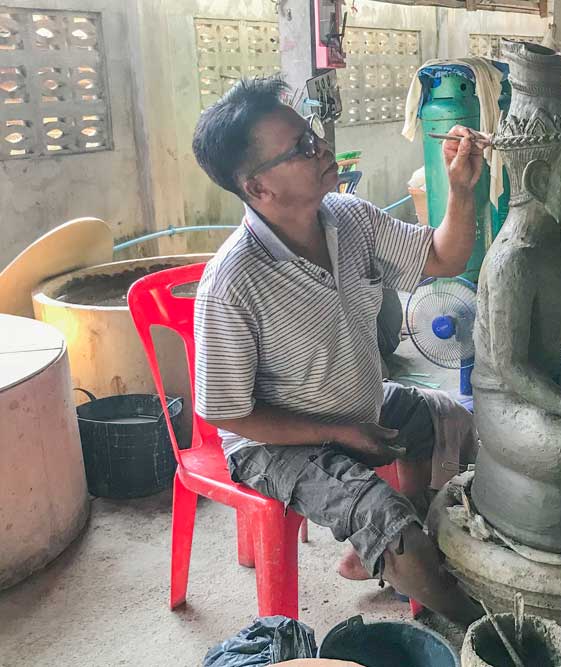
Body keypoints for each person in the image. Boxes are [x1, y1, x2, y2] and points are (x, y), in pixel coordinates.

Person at [190, 76, 483, 624]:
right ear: (258, 187)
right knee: (386, 519)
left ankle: (385, 559)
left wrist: (461, 190)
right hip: (273, 442)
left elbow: (443, 258)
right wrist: (338, 432)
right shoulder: (232, 282)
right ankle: (480, 628)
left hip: (357, 406)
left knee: (446, 420)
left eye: (312, 134)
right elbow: (226, 413)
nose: (322, 146)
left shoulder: (351, 219)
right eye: (301, 147)